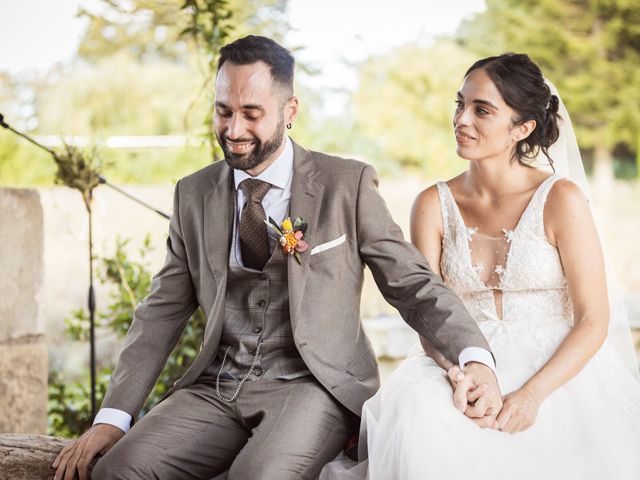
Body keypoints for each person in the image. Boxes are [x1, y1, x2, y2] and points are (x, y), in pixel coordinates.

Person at [52, 35, 502, 480]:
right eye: (223, 111)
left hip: (314, 386)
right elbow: (161, 312)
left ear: (290, 112)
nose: (233, 130)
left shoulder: (347, 184)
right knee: (119, 470)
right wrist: (112, 417)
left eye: (251, 114)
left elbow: (414, 286)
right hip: (217, 386)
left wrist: (474, 356)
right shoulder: (193, 194)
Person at [322, 53, 640, 480]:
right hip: (460, 367)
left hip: (556, 373)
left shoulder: (561, 199)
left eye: (482, 110)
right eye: (460, 104)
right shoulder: (432, 204)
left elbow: (593, 320)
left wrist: (530, 396)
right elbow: (425, 312)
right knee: (422, 421)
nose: (461, 119)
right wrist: (459, 373)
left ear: (522, 129)